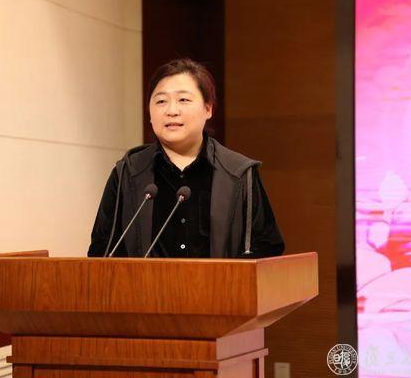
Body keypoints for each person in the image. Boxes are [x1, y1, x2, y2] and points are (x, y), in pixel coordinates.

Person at [88, 58, 284, 258]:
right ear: (149, 113)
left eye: (183, 100)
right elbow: (102, 252)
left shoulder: (239, 173)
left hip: (219, 280)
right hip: (144, 281)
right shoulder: (128, 172)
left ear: (208, 108)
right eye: (161, 101)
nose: (172, 111)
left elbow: (266, 251)